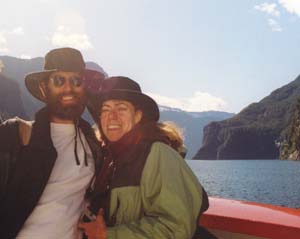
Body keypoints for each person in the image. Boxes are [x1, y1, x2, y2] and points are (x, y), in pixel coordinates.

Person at [79, 76, 208, 238]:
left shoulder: (159, 154)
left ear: (138, 116)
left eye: (121, 108)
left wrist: (108, 235)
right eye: (105, 109)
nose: (112, 116)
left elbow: (175, 228)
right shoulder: (109, 158)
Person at [0, 47, 104, 239]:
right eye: (58, 80)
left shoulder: (94, 145)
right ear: (43, 87)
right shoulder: (15, 135)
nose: (68, 88)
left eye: (76, 80)